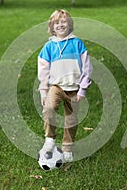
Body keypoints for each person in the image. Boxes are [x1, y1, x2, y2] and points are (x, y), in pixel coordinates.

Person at [38, 9, 93, 163]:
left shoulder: (77, 44)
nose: (60, 25)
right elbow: (43, 71)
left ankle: (67, 148)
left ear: (69, 25)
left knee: (71, 118)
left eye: (64, 22)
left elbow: (87, 68)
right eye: (57, 22)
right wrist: (44, 92)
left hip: (74, 88)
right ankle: (50, 138)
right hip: (56, 86)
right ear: (52, 26)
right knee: (49, 108)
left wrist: (82, 89)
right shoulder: (48, 47)